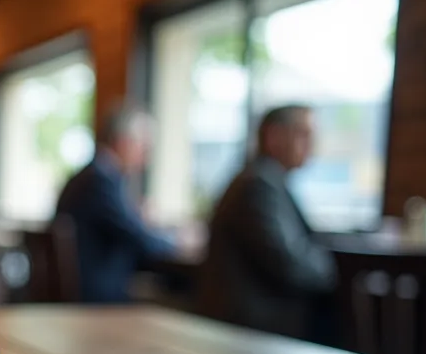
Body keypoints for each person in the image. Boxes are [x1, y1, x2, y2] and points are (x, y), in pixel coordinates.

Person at [198, 104, 336, 340]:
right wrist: (334, 268)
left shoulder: (265, 179)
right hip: (253, 330)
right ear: (274, 137)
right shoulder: (259, 185)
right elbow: (288, 263)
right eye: (303, 135)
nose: (312, 146)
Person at [55, 105, 177, 303]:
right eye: (142, 147)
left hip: (86, 288)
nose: (145, 158)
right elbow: (141, 239)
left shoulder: (89, 176)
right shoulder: (101, 182)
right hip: (97, 296)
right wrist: (177, 240)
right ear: (123, 142)